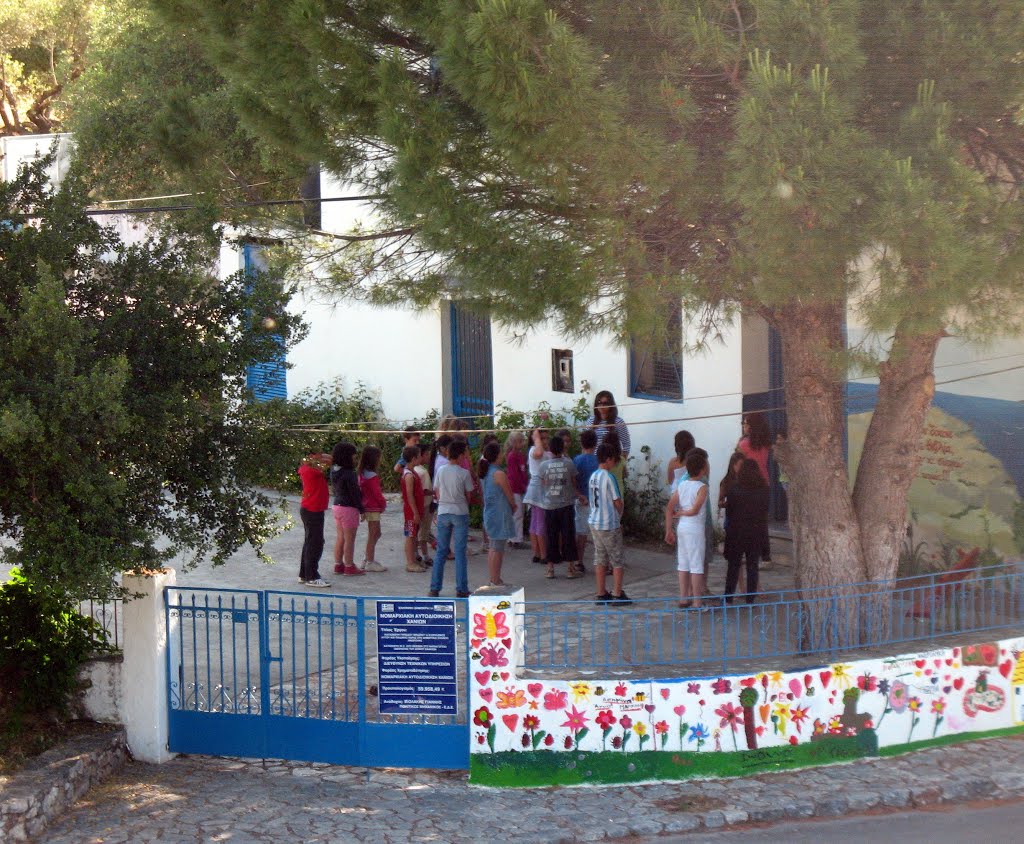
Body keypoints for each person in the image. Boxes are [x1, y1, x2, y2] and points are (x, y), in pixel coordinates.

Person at [430, 439, 475, 597]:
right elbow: (469, 495)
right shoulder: (464, 473)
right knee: (460, 552)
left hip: (443, 510)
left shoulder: (441, 470)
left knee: (441, 551)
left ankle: (434, 588)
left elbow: (437, 491)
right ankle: (461, 588)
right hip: (460, 511)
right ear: (461, 454)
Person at [665, 450, 709, 609]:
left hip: (682, 527)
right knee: (697, 565)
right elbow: (695, 509)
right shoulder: (702, 487)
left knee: (683, 563)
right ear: (702, 469)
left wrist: (668, 529)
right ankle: (697, 602)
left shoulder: (682, 485)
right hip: (694, 528)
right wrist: (683, 512)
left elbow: (669, 508)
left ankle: (683, 598)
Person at [723, 459, 770, 604]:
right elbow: (764, 512)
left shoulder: (734, 490)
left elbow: (729, 512)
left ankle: (728, 597)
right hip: (756, 531)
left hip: (737, 531)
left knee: (733, 566)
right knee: (752, 565)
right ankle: (750, 599)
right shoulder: (764, 490)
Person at [589, 441, 629, 604]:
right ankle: (617, 593)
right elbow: (617, 501)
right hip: (608, 523)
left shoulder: (593, 476)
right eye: (614, 460)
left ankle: (600, 592)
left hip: (594, 522)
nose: (615, 463)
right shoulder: (608, 477)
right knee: (617, 559)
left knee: (600, 557)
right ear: (608, 459)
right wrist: (619, 514)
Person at [540, 435, 580, 579]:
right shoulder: (569, 463)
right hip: (566, 505)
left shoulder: (543, 465)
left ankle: (550, 569)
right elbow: (574, 482)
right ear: (562, 448)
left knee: (551, 536)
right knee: (568, 535)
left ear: (549, 449)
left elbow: (543, 484)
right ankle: (570, 568)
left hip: (550, 505)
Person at [737, 411, 773, 564]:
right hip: (764, 484)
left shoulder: (744, 444)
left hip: (748, 486)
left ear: (751, 427)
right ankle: (765, 556)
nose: (744, 426)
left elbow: (737, 463)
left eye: (745, 423)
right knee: (761, 522)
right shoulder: (765, 443)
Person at [479, 441, 516, 586]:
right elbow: (509, 494)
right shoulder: (498, 473)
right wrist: (513, 505)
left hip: (490, 512)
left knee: (494, 546)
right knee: (497, 548)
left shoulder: (486, 472)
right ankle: (495, 579)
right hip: (499, 514)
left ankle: (494, 577)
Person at [297, 452, 332, 587]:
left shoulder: (307, 468)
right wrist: (321, 457)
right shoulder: (312, 470)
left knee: (310, 542)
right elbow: (329, 460)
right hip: (313, 510)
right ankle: (312, 576)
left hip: (312, 509)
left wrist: (318, 457)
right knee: (315, 543)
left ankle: (304, 574)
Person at [330, 442, 364, 577]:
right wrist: (361, 509)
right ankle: (349, 566)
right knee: (350, 539)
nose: (355, 459)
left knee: (340, 537)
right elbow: (354, 494)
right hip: (349, 508)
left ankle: (338, 564)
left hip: (337, 505)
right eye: (353, 456)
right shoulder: (349, 474)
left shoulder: (334, 470)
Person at [522, 427, 550, 565]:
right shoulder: (534, 449)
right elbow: (539, 452)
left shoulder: (547, 452)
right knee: (540, 523)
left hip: (539, 489)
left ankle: (537, 553)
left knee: (535, 522)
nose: (545, 441)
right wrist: (536, 437)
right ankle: (543, 555)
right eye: (542, 438)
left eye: (546, 438)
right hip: (538, 489)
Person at [357, 445, 388, 572]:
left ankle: (367, 557)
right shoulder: (372, 476)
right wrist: (383, 504)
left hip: (366, 505)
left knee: (376, 533)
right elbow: (377, 493)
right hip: (373, 507)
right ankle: (370, 561)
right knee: (373, 534)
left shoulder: (362, 473)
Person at [573, 428, 599, 564]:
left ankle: (579, 562)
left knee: (581, 534)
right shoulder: (598, 461)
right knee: (598, 535)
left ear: (582, 444)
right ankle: (601, 563)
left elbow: (573, 482)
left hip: (581, 499)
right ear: (595, 444)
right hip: (596, 501)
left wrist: (578, 495)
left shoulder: (577, 460)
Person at [400, 445, 428, 573]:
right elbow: (409, 495)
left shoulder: (412, 472)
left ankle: (413, 560)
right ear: (413, 458)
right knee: (410, 536)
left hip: (414, 510)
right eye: (418, 456)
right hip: (411, 511)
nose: (420, 458)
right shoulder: (409, 475)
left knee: (413, 535)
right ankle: (410, 563)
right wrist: (415, 513)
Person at [586, 390, 631, 457]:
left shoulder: (618, 422)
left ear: (611, 404)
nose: (602, 406)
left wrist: (620, 464)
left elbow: (626, 445)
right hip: (593, 461)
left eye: (605, 403)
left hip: (610, 461)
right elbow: (586, 443)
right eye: (599, 403)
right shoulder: (591, 420)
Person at [504, 431, 528, 548]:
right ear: (514, 443)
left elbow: (522, 472)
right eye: (520, 441)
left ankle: (514, 537)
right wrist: (523, 487)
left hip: (520, 488)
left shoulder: (520, 455)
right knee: (517, 514)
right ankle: (515, 539)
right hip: (515, 488)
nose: (523, 443)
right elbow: (514, 475)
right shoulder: (512, 456)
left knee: (519, 513)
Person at [412, 444, 434, 566]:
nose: (429, 457)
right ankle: (425, 556)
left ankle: (415, 555)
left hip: (412, 507)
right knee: (423, 532)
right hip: (423, 506)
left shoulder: (410, 471)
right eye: (427, 454)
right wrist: (435, 493)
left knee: (413, 532)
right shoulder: (422, 472)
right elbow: (424, 491)